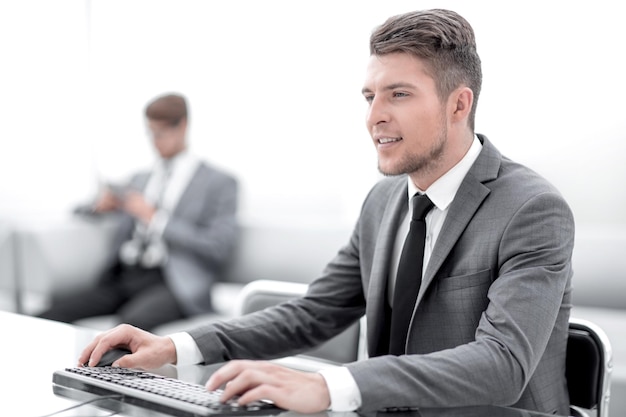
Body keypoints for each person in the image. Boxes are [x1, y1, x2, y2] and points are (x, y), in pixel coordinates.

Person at [79, 9, 574, 415]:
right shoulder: (384, 201)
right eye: (369, 96)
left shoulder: (531, 209)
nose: (374, 115)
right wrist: (177, 346)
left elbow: (503, 364)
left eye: (399, 94)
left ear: (458, 105)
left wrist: (328, 386)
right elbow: (315, 312)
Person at [39, 93, 239, 331]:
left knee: (126, 328)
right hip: (125, 276)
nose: (155, 141)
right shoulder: (140, 179)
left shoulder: (219, 182)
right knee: (48, 315)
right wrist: (100, 206)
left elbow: (217, 246)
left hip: (173, 282)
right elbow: (79, 210)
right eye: (150, 133)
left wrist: (155, 218)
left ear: (183, 126)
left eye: (161, 133)